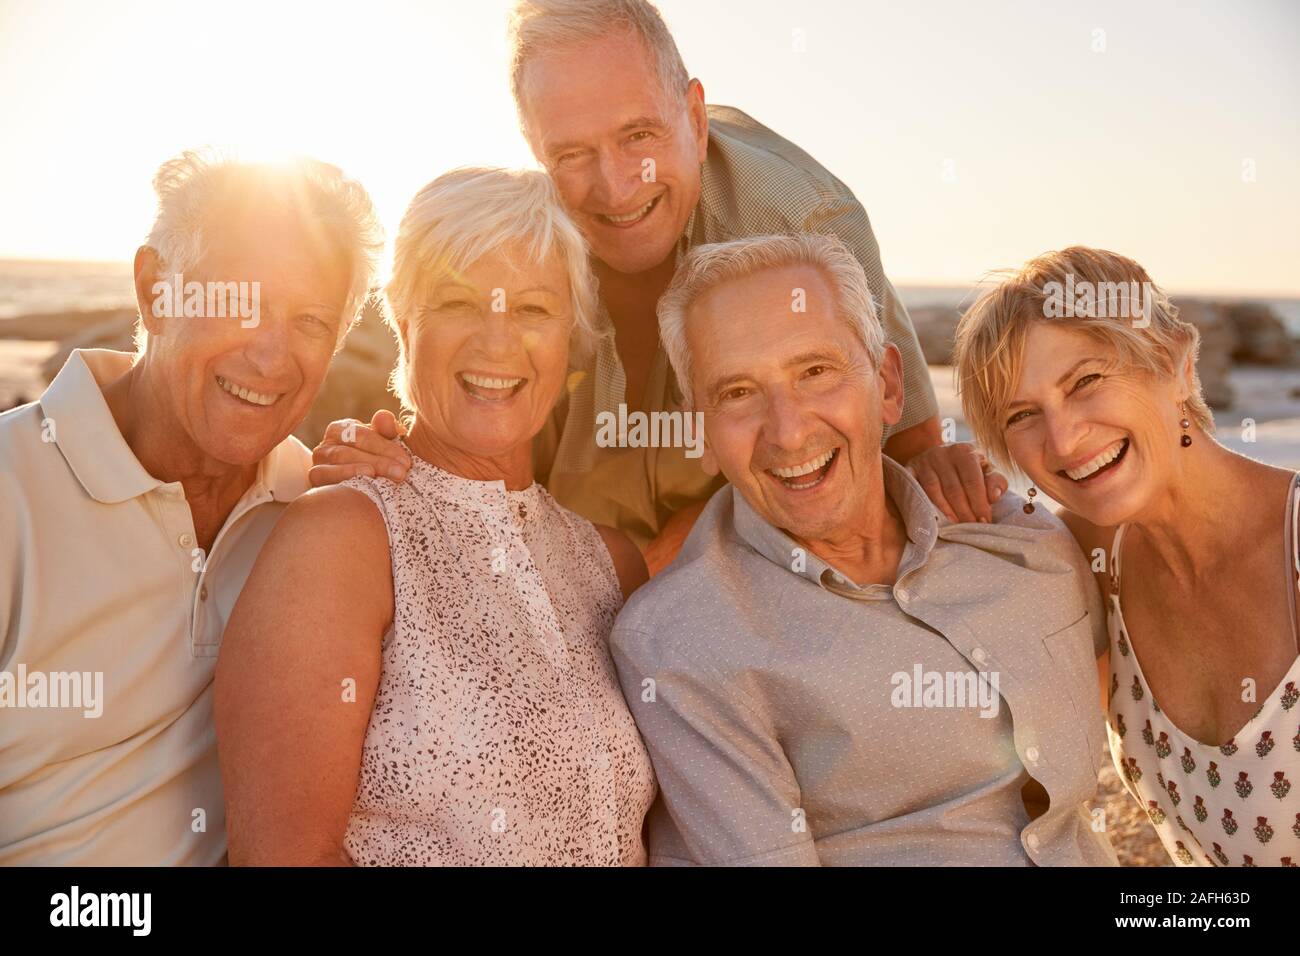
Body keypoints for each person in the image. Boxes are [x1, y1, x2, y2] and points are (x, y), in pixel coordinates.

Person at [309, 0, 1003, 571]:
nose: (615, 188)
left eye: (639, 136)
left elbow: (897, 443)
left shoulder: (805, 224)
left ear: (695, 120)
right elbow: (466, 419)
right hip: (571, 583)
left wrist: (687, 544)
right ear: (536, 151)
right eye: (572, 153)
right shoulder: (530, 251)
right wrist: (387, 456)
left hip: (742, 574)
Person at [608, 233, 1116, 866]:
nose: (789, 431)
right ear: (700, 432)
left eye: (815, 372)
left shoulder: (1024, 541)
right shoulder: (682, 640)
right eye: (737, 393)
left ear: (887, 385)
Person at [214, 168, 657, 866]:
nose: (496, 342)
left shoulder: (611, 563)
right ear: (403, 315)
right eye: (458, 302)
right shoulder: (340, 541)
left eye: (534, 310)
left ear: (573, 336)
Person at [0, 149, 382, 864]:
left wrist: (399, 487)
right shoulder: (10, 489)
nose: (271, 357)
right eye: (240, 302)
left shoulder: (322, 511)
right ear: (154, 291)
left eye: (310, 321)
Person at [953, 246, 1300, 866]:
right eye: (1022, 415)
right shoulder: (1086, 554)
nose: (1062, 440)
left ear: (1174, 364)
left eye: (1085, 381)